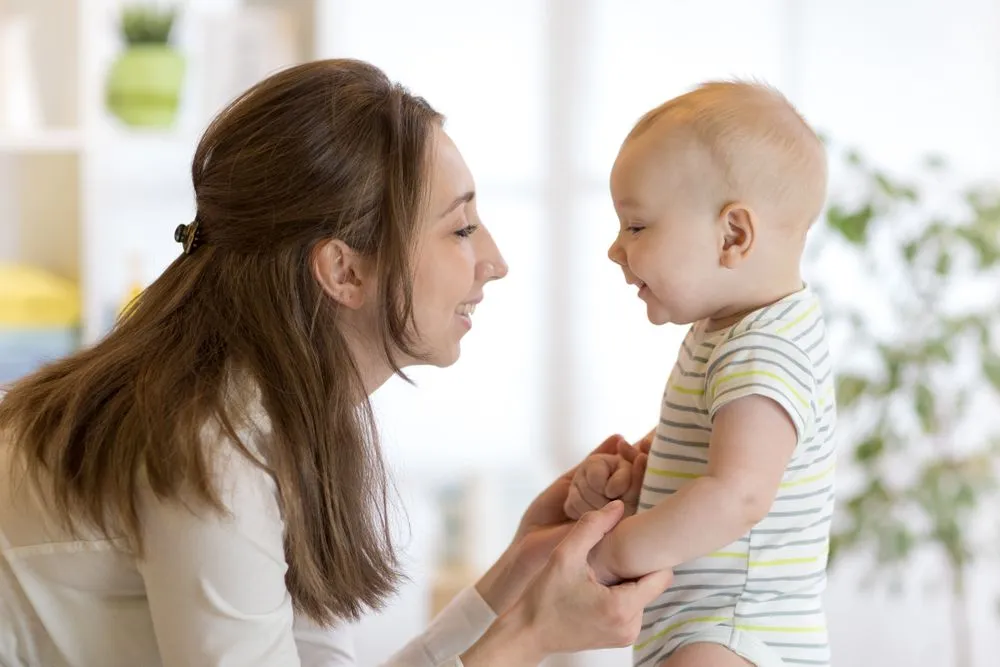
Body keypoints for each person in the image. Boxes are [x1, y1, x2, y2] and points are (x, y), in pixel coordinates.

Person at [0, 58, 673, 667]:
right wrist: (529, 635)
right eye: (460, 228)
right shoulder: (213, 442)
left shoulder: (286, 418)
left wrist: (519, 572)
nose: (494, 261)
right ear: (344, 269)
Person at [565, 81, 837, 667]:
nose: (616, 249)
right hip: (705, 627)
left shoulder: (765, 348)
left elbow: (738, 495)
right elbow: (713, 473)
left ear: (732, 235)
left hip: (735, 631)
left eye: (636, 227)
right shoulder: (733, 333)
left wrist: (614, 556)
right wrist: (645, 483)